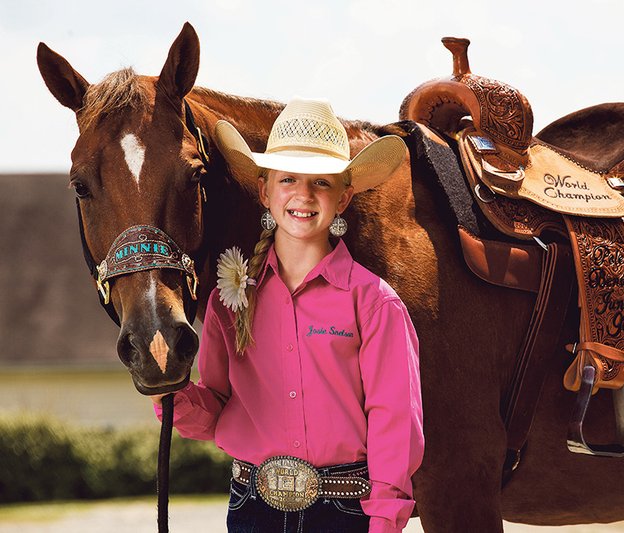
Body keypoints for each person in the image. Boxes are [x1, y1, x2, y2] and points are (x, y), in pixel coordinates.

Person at [152, 97, 424, 533]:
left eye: (321, 181)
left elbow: (395, 422)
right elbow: (217, 407)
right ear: (265, 191)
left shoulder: (374, 303)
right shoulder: (229, 299)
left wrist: (386, 522)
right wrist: (169, 390)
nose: (303, 195)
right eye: (288, 179)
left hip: (343, 511)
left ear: (344, 197)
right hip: (252, 508)